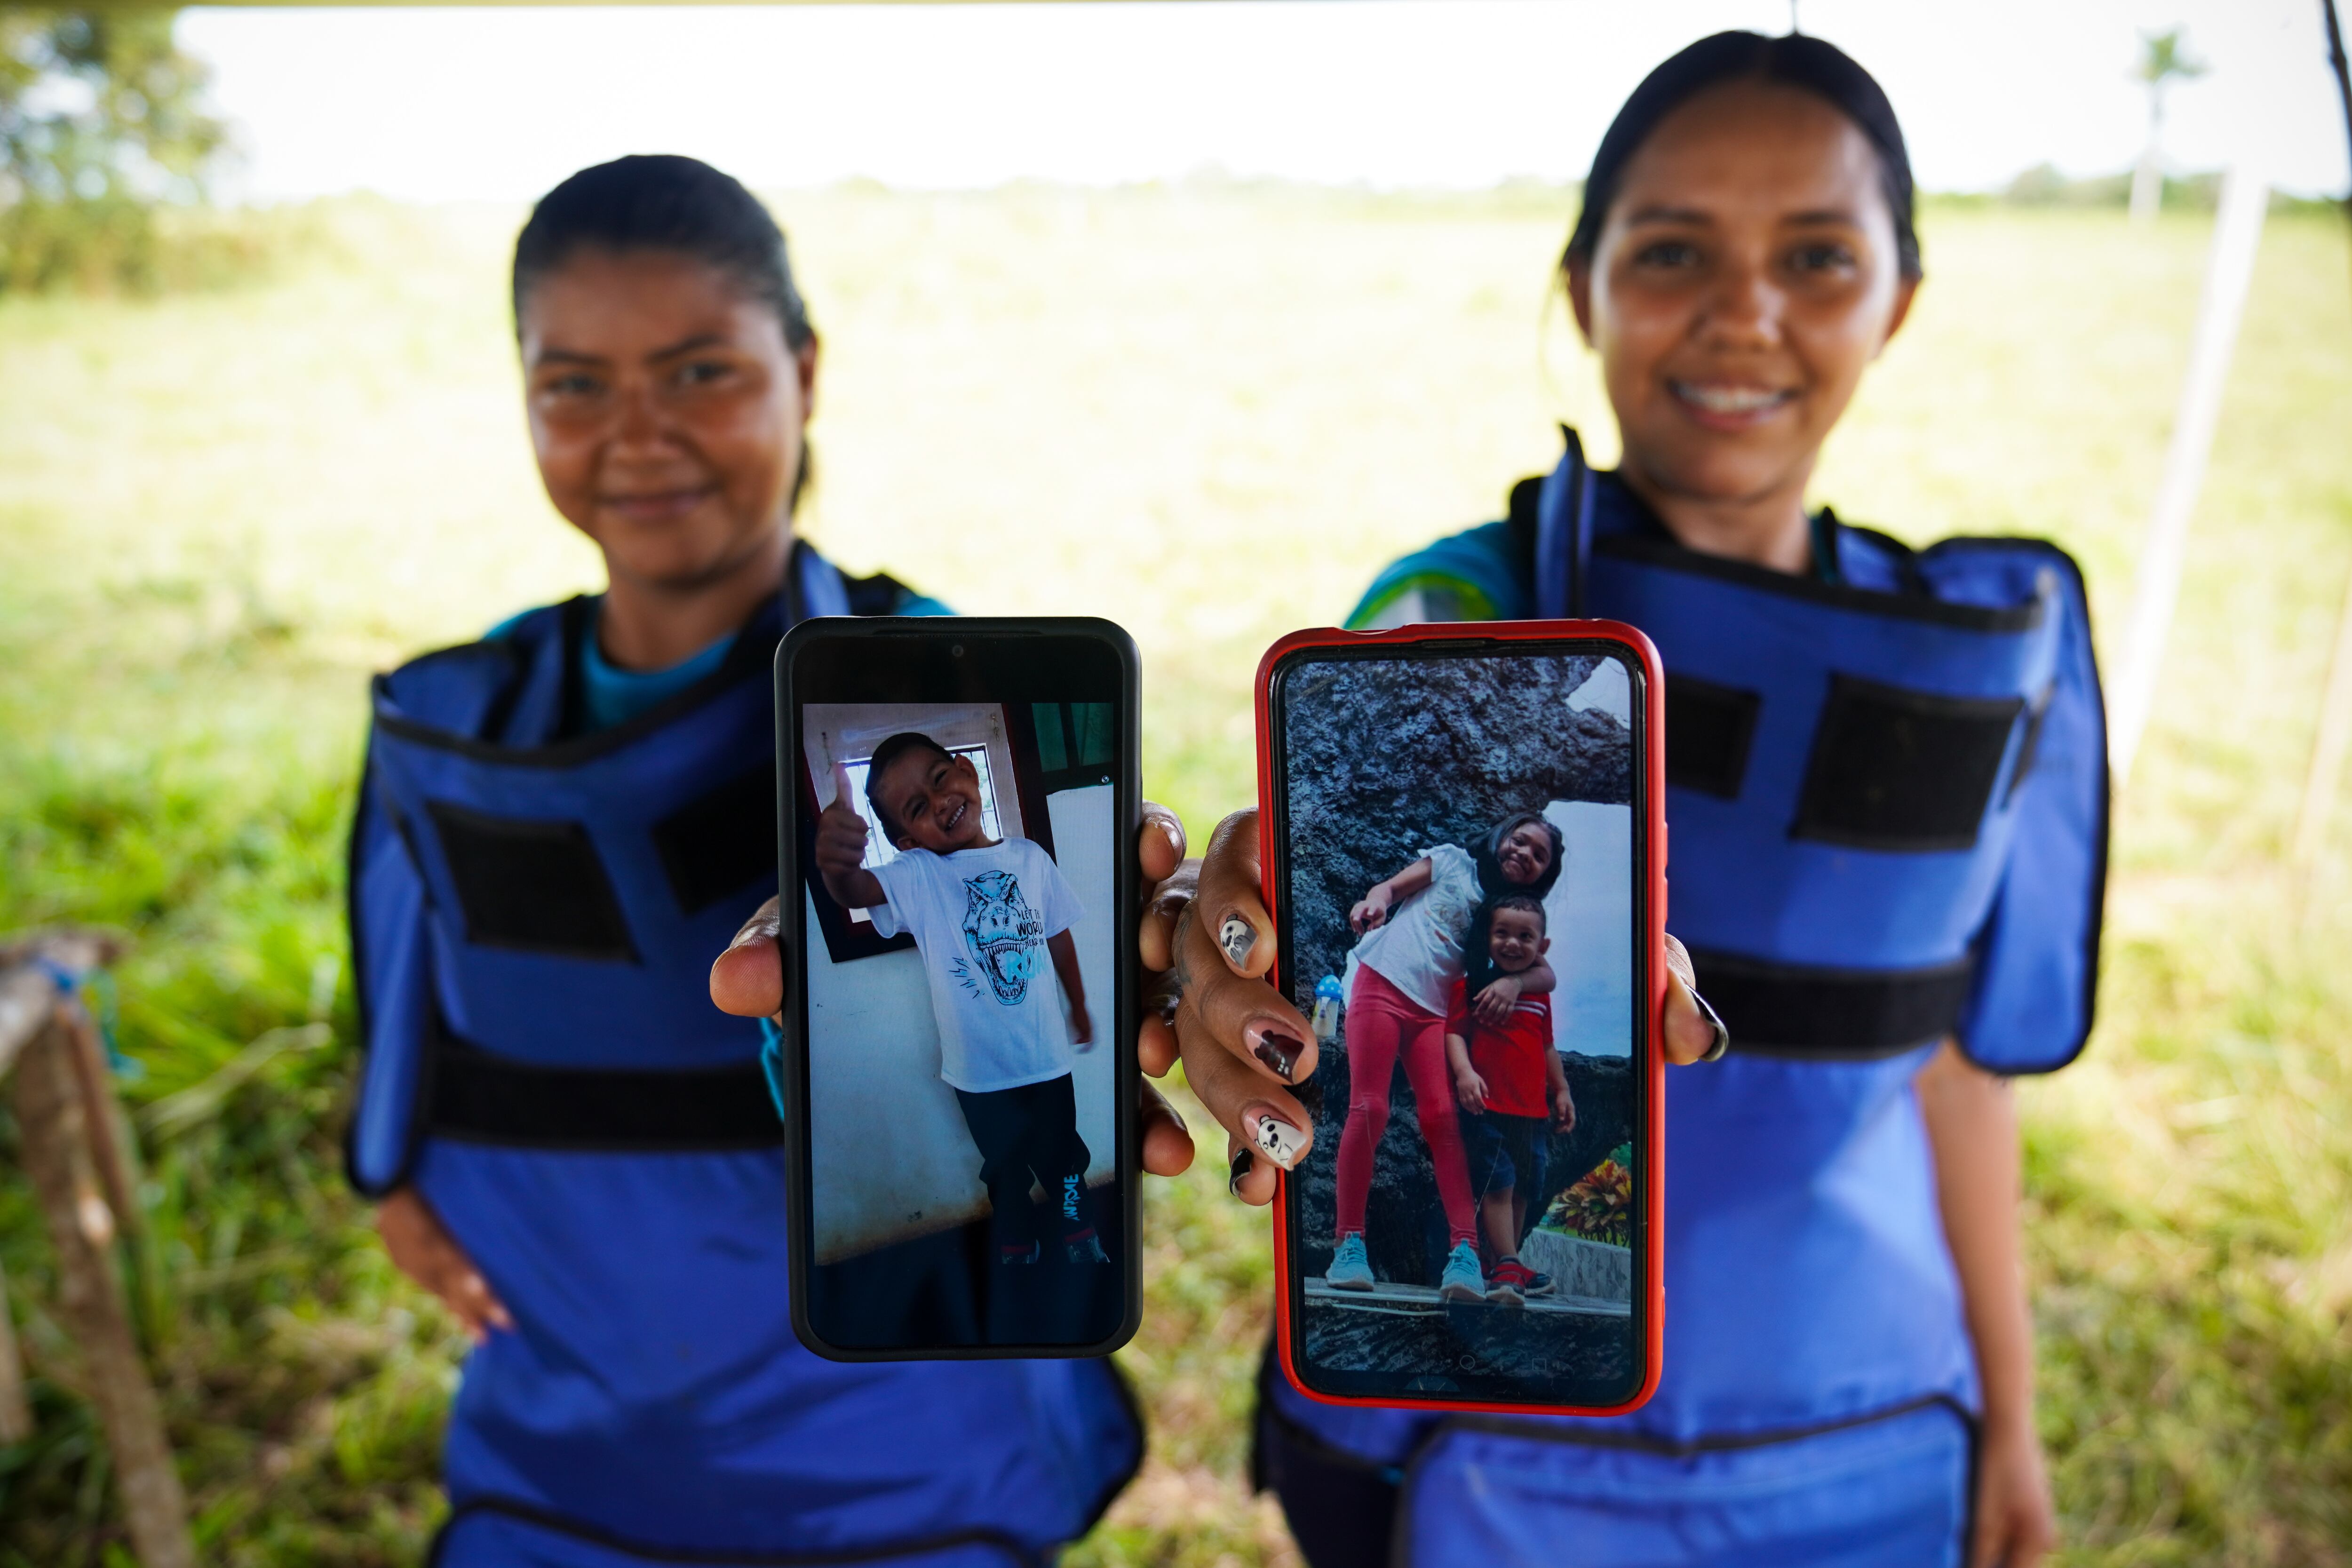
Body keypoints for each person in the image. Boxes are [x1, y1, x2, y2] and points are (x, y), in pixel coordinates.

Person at [1160, 32, 2105, 1568]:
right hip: (1486, 1442)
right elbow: (1342, 871)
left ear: (1900, 301)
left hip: (1859, 1422)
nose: (1747, 315)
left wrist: (2013, 1411)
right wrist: (1257, 942)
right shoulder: (1464, 608)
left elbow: (1947, 1062)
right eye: (1674, 251)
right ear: (1582, 283)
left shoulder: (1965, 654)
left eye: (1817, 255)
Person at [346, 154, 1156, 1566]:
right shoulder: (454, 716)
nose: (637, 435)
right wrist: (386, 1173)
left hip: (897, 1448)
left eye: (699, 371)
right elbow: (400, 1003)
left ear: (805, 370)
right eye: (574, 384)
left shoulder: (946, 686)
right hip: (572, 1440)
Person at [813, 736, 1108, 1267]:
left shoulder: (1029, 858)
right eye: (917, 809)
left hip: (1046, 1062)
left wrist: (1079, 1004)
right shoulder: (919, 875)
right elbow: (858, 890)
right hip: (978, 1074)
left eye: (939, 779)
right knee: (1004, 1166)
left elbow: (1055, 933)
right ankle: (1017, 1242)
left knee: (1064, 1160)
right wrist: (836, 867)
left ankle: (1077, 1229)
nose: (940, 801)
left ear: (967, 770)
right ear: (905, 841)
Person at [1324, 812, 1565, 1303]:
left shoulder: (1506, 914)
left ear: (1544, 874)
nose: (1524, 854)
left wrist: (1513, 981)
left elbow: (1546, 975)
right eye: (1520, 841)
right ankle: (1348, 1243)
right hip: (1383, 983)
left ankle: (1465, 1253)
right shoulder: (1454, 863)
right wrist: (1374, 899)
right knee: (1370, 1107)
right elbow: (1389, 890)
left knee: (1442, 1118)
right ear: (1502, 838)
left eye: (1538, 855)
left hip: (1435, 1013)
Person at [1443, 892, 1576, 1305]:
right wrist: (1464, 1073)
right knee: (1499, 1185)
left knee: (1524, 1187)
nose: (1513, 944)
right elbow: (1454, 1034)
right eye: (1502, 933)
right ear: (1487, 937)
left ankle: (1508, 1261)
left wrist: (1563, 1090)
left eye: (1525, 936)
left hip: (1532, 1112)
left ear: (1543, 947)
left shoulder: (1539, 997)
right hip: (1490, 1108)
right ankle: (1506, 1262)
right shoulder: (1470, 986)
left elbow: (1548, 1046)